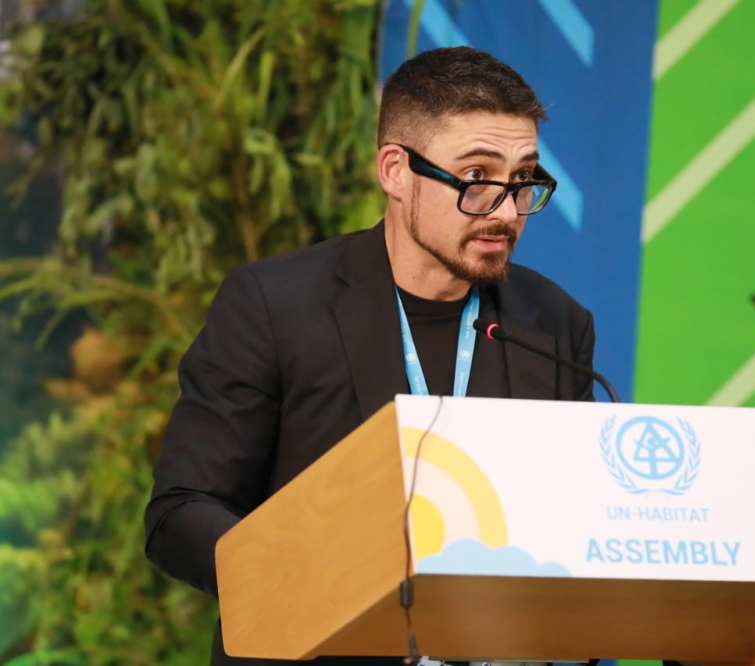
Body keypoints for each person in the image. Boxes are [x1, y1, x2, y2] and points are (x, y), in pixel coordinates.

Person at [144, 46, 596, 665]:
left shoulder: (554, 324)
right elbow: (180, 514)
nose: (507, 211)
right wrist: (316, 578)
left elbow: (571, 520)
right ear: (395, 171)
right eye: (478, 179)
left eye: (523, 181)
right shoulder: (274, 305)